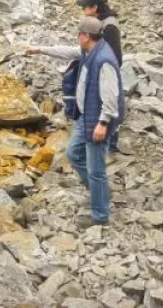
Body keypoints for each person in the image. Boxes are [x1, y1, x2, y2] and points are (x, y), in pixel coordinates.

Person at [27, 17, 125, 228]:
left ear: (86, 36)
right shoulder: (90, 51)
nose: (77, 38)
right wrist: (41, 50)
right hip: (85, 116)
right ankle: (100, 191)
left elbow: (111, 97)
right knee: (73, 154)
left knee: (96, 169)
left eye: (79, 34)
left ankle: (100, 215)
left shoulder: (104, 61)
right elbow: (66, 51)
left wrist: (103, 123)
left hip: (98, 120)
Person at [76, 0, 124, 153]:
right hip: (99, 69)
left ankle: (110, 146)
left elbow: (115, 57)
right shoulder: (99, 21)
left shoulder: (109, 26)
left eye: (85, 8)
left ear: (94, 7)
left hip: (105, 72)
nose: (83, 11)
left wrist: (99, 68)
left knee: (108, 102)